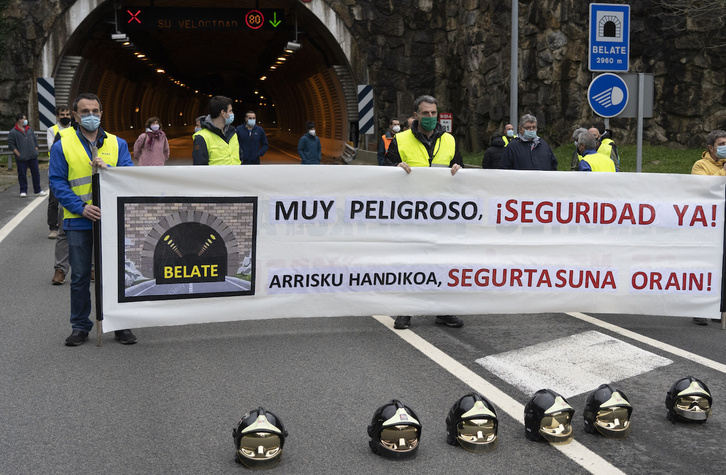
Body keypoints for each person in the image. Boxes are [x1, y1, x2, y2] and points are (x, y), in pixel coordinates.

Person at [49, 92, 137, 346]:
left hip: (111, 221)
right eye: (85, 112)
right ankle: (80, 326)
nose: (91, 116)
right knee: (79, 277)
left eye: (95, 111)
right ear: (75, 116)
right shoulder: (62, 145)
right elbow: (57, 182)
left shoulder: (117, 144)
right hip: (78, 221)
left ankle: (120, 323)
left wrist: (111, 171)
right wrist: (81, 207)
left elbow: (129, 177)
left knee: (116, 274)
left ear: (101, 113)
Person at [383, 94, 464, 330]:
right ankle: (407, 311)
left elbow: (459, 168)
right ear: (416, 115)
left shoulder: (449, 140)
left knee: (442, 263)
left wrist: (460, 168)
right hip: (412, 214)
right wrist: (394, 167)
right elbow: (385, 169)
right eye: (425, 113)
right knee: (412, 263)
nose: (430, 117)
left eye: (433, 113)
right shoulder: (401, 140)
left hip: (442, 214)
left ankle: (443, 310)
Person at [691, 129, 726, 325]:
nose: (725, 147)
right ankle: (698, 308)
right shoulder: (700, 165)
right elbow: (705, 189)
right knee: (704, 266)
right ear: (711, 148)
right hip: (708, 224)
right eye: (721, 144)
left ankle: (718, 308)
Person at [46, 106, 73, 238]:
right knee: (54, 201)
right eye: (62, 114)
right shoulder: (52, 130)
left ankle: (71, 226)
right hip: (56, 170)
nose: (65, 116)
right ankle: (53, 228)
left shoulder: (76, 129)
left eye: (67, 114)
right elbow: (52, 148)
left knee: (74, 198)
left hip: (73, 169)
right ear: (57, 116)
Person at [192, 96, 240, 166]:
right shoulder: (202, 137)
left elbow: (240, 158)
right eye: (230, 111)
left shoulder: (233, 133)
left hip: (236, 176)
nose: (232, 113)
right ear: (223, 113)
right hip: (216, 177)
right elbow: (200, 168)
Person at [8, 113, 46, 198]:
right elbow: (11, 144)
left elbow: (35, 140)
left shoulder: (29, 129)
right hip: (22, 158)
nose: (25, 120)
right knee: (22, 174)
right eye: (24, 118)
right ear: (19, 120)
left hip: (33, 156)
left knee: (36, 173)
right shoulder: (13, 132)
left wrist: (36, 148)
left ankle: (38, 190)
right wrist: (18, 154)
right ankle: (23, 190)